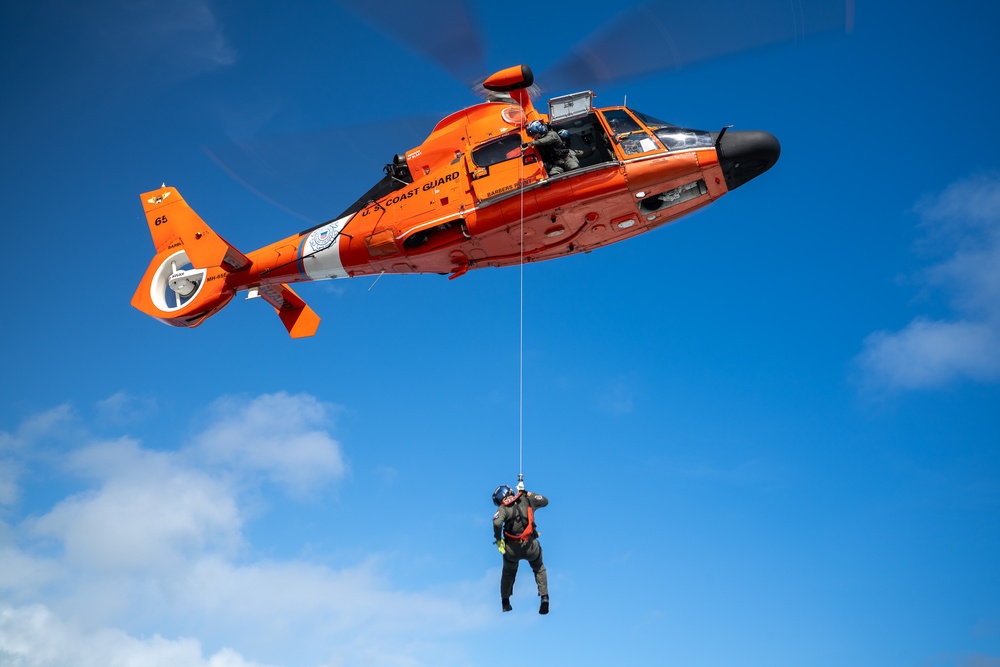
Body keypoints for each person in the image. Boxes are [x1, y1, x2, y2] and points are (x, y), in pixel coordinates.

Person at [492, 481, 550, 614]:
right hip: (530, 546)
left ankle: (505, 602)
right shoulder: (528, 500)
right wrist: (527, 493)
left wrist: (498, 539)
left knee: (508, 572)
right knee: (539, 568)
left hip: (512, 550)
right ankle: (544, 598)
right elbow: (545, 501)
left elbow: (497, 523)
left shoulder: (503, 507)